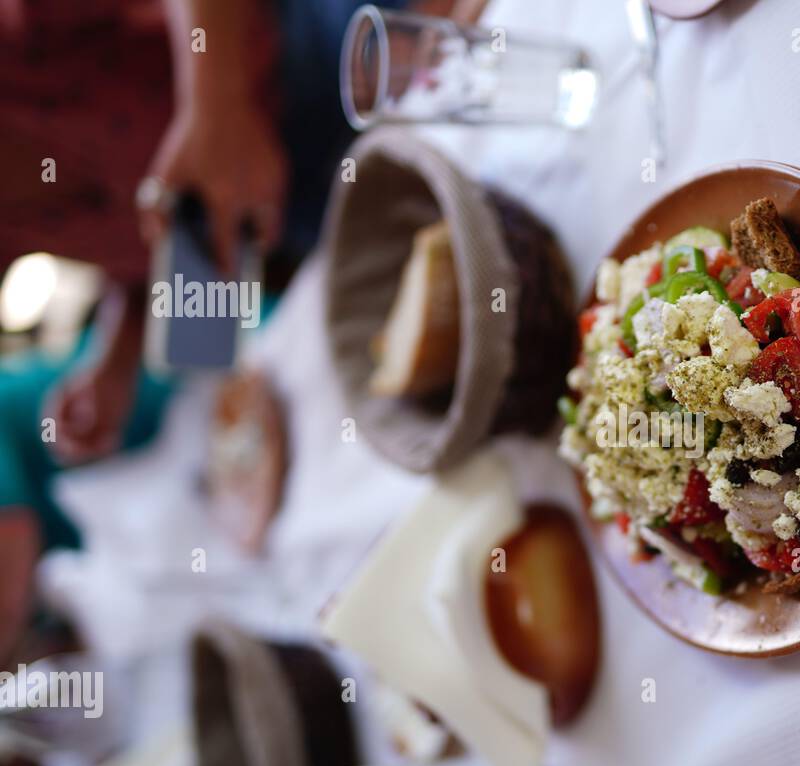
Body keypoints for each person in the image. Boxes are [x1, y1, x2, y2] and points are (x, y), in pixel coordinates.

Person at [0, 0, 473, 667]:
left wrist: (215, 106)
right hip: (307, 212)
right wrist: (118, 351)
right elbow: (151, 230)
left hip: (332, 51)